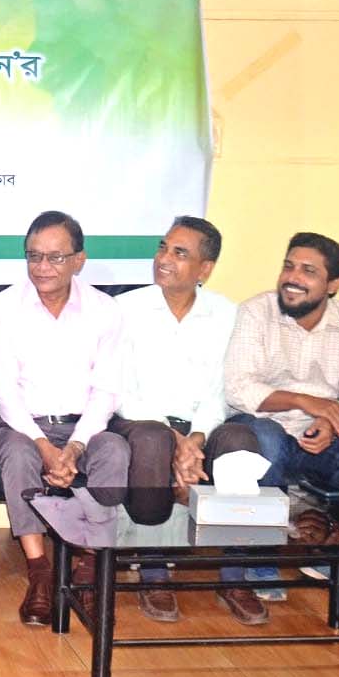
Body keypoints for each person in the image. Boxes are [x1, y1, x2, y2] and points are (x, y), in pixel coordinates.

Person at [113, 216, 268, 625]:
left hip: (204, 424)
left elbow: (222, 388)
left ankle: (234, 576)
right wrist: (174, 438)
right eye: (163, 247)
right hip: (142, 422)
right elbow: (122, 390)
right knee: (153, 441)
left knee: (240, 443)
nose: (164, 258)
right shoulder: (125, 309)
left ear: (205, 269)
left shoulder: (227, 314)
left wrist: (196, 438)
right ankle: (153, 572)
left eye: (179, 253)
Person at [0, 210, 129, 626]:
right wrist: (44, 445)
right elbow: (3, 391)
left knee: (115, 450)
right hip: (22, 425)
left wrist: (76, 445)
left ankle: (89, 565)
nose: (42, 267)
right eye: (34, 256)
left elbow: (107, 390)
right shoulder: (1, 308)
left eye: (55, 257)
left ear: (79, 260)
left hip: (86, 426)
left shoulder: (105, 310)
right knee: (18, 453)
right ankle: (40, 571)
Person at [223, 231, 339, 599]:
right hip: (263, 422)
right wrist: (304, 401)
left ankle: (333, 552)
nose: (292, 278)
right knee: (264, 438)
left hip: (321, 432)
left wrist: (334, 420)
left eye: (308, 271)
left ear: (333, 284)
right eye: (288, 266)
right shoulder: (256, 312)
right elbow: (239, 389)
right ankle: (260, 554)